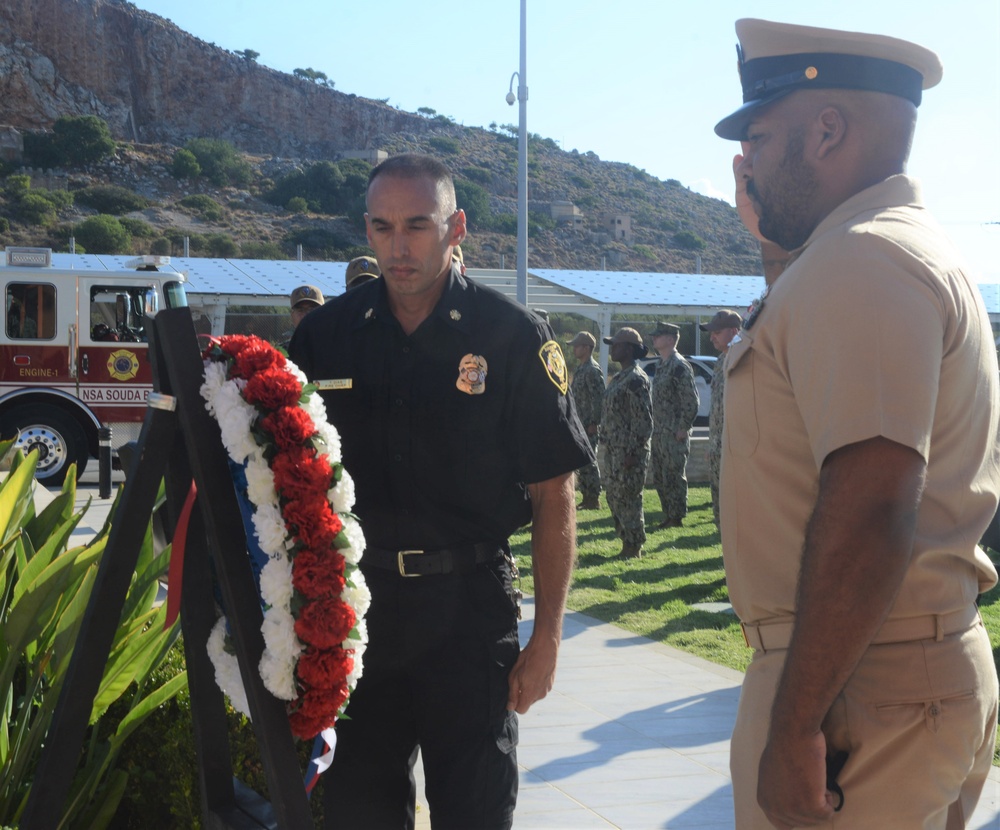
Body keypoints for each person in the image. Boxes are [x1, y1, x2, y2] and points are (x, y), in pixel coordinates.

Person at [715, 18, 1000, 830]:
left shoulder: (862, 261)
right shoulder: (883, 250)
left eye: (762, 140)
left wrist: (796, 721)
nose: (751, 169)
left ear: (827, 131)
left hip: (856, 693)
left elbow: (873, 507)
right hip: (893, 671)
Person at [289, 153, 593, 830]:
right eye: (383, 226)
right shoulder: (325, 337)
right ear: (365, 230)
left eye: (418, 225)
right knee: (358, 814)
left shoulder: (510, 336)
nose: (399, 246)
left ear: (456, 226)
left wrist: (546, 638)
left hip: (467, 615)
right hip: (358, 617)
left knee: (476, 812)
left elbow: (554, 497)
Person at [600, 327, 652, 559]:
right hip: (615, 449)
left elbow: (643, 421)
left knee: (628, 497)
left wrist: (633, 451)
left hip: (629, 452)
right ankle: (626, 542)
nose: (612, 348)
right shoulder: (621, 377)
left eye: (617, 344)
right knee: (614, 496)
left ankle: (634, 546)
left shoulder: (635, 379)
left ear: (629, 349)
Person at [648, 322, 698, 529]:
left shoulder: (679, 365)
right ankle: (668, 514)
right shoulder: (662, 365)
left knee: (674, 475)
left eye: (658, 336)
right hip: (660, 431)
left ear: (670, 339)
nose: (654, 339)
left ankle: (676, 516)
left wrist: (683, 427)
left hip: (673, 432)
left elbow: (691, 400)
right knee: (661, 476)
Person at [699, 309, 742, 529]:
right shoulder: (720, 361)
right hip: (719, 445)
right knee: (719, 501)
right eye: (711, 332)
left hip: (736, 447)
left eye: (717, 331)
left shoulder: (742, 359)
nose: (712, 337)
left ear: (734, 331)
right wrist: (712, 443)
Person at [569, 331, 606, 510]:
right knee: (582, 461)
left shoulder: (592, 369)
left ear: (587, 348)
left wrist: (594, 422)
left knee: (589, 461)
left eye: (577, 346)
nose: (574, 349)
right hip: (579, 423)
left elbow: (598, 398)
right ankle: (587, 497)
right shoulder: (582, 368)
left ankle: (593, 498)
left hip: (588, 425)